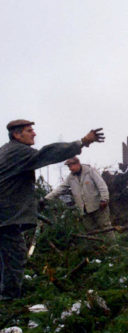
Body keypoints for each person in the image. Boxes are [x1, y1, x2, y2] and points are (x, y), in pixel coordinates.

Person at [0, 119, 104, 301]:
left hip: (5, 216)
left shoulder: (7, 151)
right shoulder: (18, 152)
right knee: (15, 255)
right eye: (29, 130)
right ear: (17, 135)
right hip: (6, 218)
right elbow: (47, 154)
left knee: (6, 257)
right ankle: (9, 301)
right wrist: (82, 142)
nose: (34, 133)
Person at [43, 157, 114, 236]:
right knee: (91, 231)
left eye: (71, 166)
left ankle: (113, 246)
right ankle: (98, 247)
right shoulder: (70, 178)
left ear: (77, 164)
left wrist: (104, 199)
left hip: (98, 206)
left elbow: (102, 185)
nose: (70, 168)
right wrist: (46, 198)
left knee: (106, 227)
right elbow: (60, 189)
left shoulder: (90, 171)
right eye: (69, 166)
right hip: (84, 210)